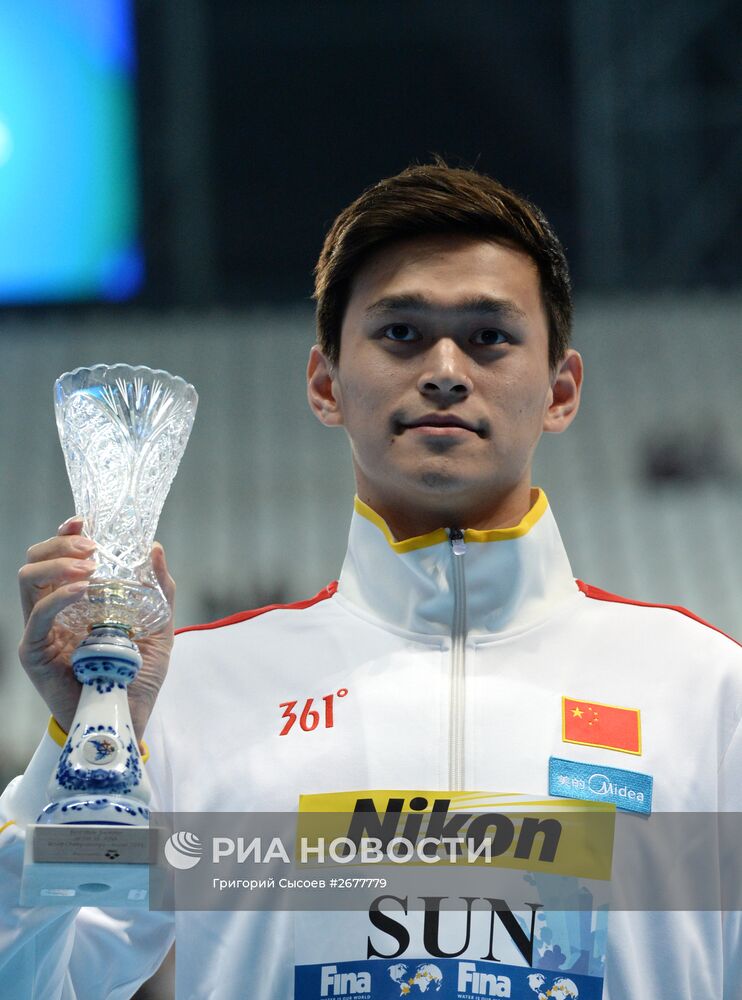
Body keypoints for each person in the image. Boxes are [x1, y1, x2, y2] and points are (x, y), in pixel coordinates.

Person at [1, 161, 740, 999]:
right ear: (325, 385)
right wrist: (79, 751)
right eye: (401, 333)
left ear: (561, 390)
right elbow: (37, 982)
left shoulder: (709, 689)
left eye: (490, 335)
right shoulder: (184, 696)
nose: (447, 369)